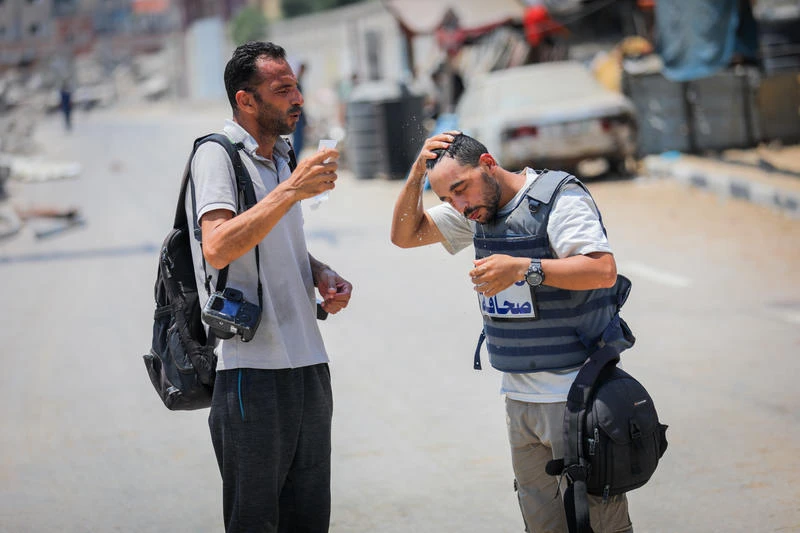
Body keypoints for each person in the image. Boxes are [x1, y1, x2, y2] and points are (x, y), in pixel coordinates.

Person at [390, 132, 635, 533]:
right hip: (519, 402)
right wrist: (418, 171)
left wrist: (525, 268)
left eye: (460, 189)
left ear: (487, 163)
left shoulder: (556, 197)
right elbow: (404, 235)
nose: (459, 205)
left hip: (577, 395)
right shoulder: (475, 213)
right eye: (447, 199)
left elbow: (601, 269)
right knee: (541, 525)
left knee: (602, 522)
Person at [187, 41, 353, 533]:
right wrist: (292, 191)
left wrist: (318, 272)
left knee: (308, 520)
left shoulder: (280, 158)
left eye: (296, 86)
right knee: (256, 521)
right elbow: (217, 246)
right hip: (250, 372)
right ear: (246, 100)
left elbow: (272, 239)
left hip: (307, 366)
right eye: (282, 90)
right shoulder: (217, 157)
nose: (297, 98)